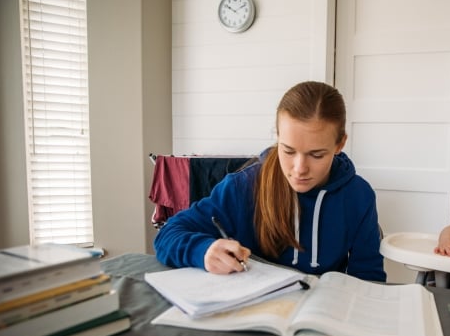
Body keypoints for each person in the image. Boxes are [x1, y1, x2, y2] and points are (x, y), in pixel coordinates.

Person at [154, 81, 385, 282]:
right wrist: (202, 250)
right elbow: (168, 234)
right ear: (277, 136)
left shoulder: (359, 195)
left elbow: (368, 278)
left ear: (339, 145)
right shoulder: (242, 186)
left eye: (316, 155)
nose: (299, 169)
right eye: (288, 150)